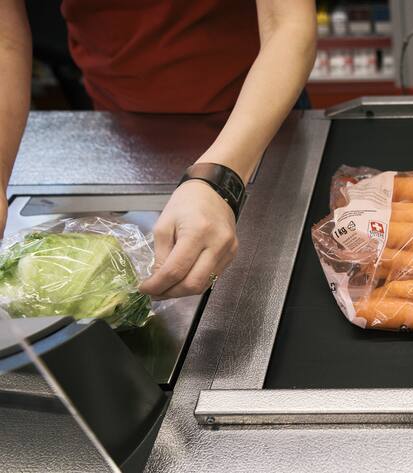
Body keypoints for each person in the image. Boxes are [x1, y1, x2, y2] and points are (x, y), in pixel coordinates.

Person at [0, 1, 316, 298]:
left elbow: (287, 26)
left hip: (258, 123)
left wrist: (218, 179)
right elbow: (5, 40)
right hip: (121, 132)